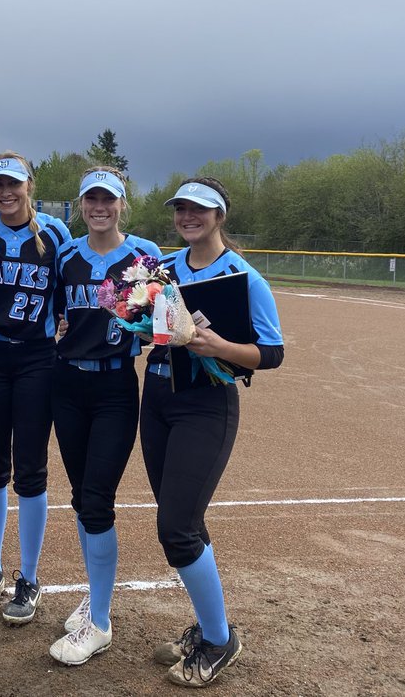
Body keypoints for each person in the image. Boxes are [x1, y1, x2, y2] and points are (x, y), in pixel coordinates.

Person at [142, 177, 283, 688]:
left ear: (219, 215)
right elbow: (149, 326)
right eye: (181, 209)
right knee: (184, 519)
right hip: (157, 397)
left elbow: (271, 353)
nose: (188, 217)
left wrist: (219, 347)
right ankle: (207, 627)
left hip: (206, 404)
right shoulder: (162, 269)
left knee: (176, 528)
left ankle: (221, 641)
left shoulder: (243, 277)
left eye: (199, 209)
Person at [48, 167, 161, 666]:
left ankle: (99, 622)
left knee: (97, 499)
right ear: (81, 204)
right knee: (81, 497)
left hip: (115, 386)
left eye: (108, 199)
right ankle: (95, 597)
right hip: (68, 384)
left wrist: (148, 329)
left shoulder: (145, 255)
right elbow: (56, 311)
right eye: (91, 199)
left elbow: (162, 320)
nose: (99, 207)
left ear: (121, 204)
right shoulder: (66, 255)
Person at [0, 153, 71, 623]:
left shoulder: (56, 233)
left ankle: (28, 576)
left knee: (30, 466)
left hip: (36, 358)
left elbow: (71, 287)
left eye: (14, 184)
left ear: (30, 184)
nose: (6, 193)